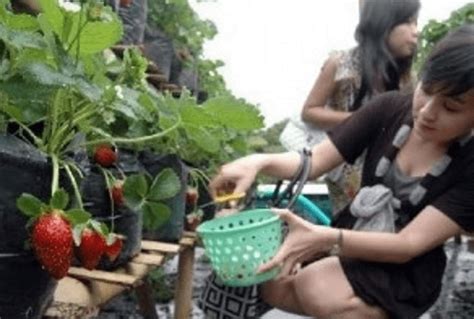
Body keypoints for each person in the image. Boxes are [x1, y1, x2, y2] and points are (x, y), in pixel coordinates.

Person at [210, 24, 474, 319]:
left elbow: (407, 244)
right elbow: (314, 162)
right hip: (353, 235)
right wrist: (258, 162)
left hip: (405, 270)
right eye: (426, 90)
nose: (427, 112)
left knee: (316, 286)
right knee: (270, 281)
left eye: (451, 107)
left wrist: (325, 238)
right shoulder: (390, 109)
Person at [280, 0, 420, 216]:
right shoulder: (340, 63)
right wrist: (363, 119)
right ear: (384, 24)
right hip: (344, 165)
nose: (416, 32)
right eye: (408, 23)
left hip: (386, 165)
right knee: (351, 224)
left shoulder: (407, 78)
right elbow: (310, 111)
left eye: (416, 23)